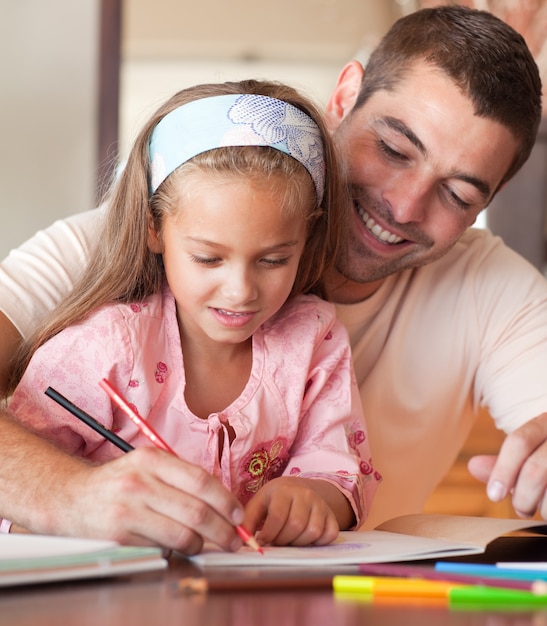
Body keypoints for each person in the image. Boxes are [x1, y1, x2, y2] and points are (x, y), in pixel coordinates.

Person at [0, 5, 545, 544]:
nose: (404, 207)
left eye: (457, 194)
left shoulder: (490, 291)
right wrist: (71, 493)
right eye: (393, 148)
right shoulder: (128, 247)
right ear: (344, 95)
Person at [1, 79, 378, 549]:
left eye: (274, 259)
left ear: (308, 237)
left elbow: (341, 469)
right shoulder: (101, 350)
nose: (241, 290)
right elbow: (17, 504)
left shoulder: (313, 339)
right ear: (154, 230)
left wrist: (311, 496)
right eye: (208, 258)